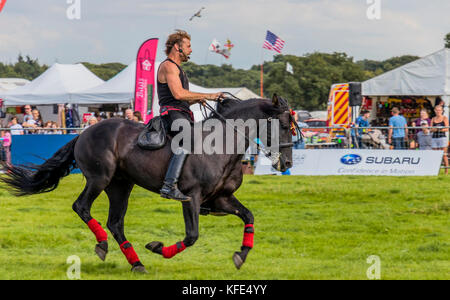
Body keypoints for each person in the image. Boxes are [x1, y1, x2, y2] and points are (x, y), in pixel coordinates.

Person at [157, 29, 224, 201]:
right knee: (189, 138)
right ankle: (169, 186)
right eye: (188, 46)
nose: (191, 50)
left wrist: (197, 99)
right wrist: (207, 95)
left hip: (181, 112)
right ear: (177, 47)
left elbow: (181, 98)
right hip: (171, 114)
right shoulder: (168, 66)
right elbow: (178, 95)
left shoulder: (179, 69)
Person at [431, 105, 449, 175]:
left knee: (444, 155)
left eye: (439, 110)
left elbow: (447, 128)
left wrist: (439, 129)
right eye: (437, 110)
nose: (438, 111)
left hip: (442, 138)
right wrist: (434, 129)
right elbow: (431, 129)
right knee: (435, 155)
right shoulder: (433, 119)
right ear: (435, 111)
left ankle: (446, 171)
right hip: (434, 138)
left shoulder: (444, 118)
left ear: (442, 111)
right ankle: (435, 171)